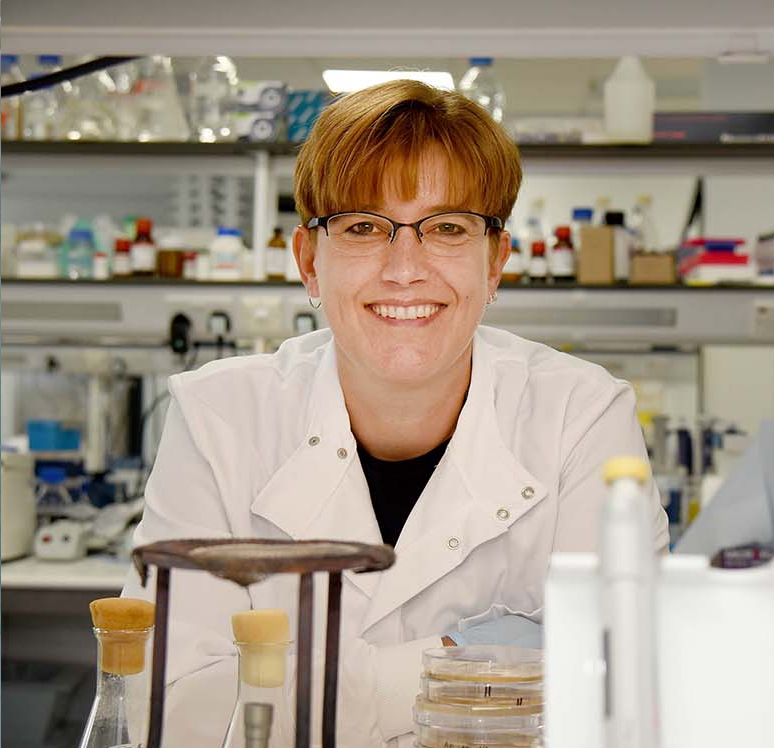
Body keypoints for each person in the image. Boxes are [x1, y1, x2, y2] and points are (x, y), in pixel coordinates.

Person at [121, 79, 668, 747]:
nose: (405, 268)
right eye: (362, 227)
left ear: (495, 262)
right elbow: (174, 712)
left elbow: (622, 689)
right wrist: (474, 657)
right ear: (309, 263)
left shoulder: (580, 416)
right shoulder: (218, 417)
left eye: (445, 228)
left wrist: (285, 683)